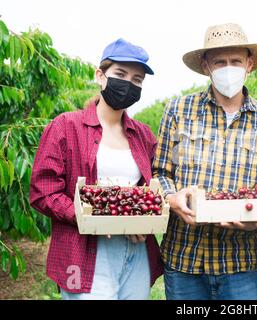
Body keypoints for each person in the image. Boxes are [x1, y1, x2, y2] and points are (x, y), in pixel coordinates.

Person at [152, 23, 257, 300]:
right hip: (184, 258)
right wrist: (172, 197)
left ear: (249, 64)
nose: (228, 68)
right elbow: (161, 172)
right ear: (206, 66)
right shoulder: (178, 111)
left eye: (235, 61)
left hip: (238, 261)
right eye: (219, 62)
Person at [30, 38, 163, 300]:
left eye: (137, 80)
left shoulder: (143, 135)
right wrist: (90, 217)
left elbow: (150, 186)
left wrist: (143, 218)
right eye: (120, 74)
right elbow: (43, 191)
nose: (128, 84)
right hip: (85, 251)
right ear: (100, 76)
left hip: (134, 251)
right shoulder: (65, 127)